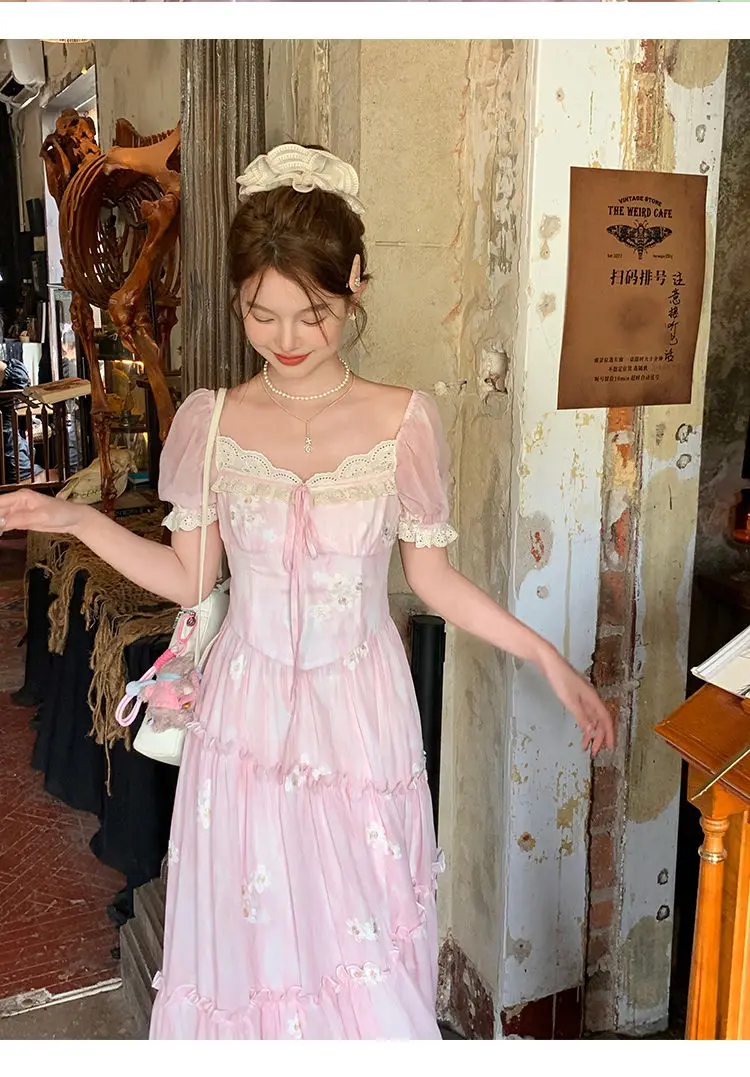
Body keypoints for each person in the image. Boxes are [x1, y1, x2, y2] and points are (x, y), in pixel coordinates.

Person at [0, 143, 614, 1040]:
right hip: (243, 720)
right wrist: (69, 520)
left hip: (359, 717)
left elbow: (431, 578)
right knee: (253, 951)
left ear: (354, 282)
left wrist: (545, 656)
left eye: (313, 315)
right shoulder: (211, 421)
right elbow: (189, 578)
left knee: (362, 958)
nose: (286, 339)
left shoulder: (405, 420)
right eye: (262, 314)